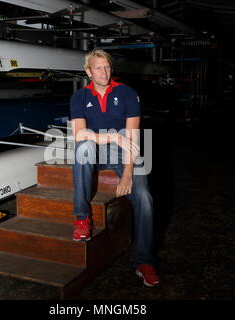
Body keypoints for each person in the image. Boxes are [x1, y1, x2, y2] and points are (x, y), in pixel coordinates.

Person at [69, 49, 161, 287]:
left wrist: (128, 173)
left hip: (125, 152)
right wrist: (112, 138)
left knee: (145, 199)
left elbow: (132, 136)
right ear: (88, 72)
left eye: (108, 67)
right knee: (82, 148)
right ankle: (82, 218)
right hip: (99, 149)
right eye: (98, 68)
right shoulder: (79, 97)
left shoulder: (127, 93)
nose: (105, 72)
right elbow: (80, 134)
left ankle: (144, 262)